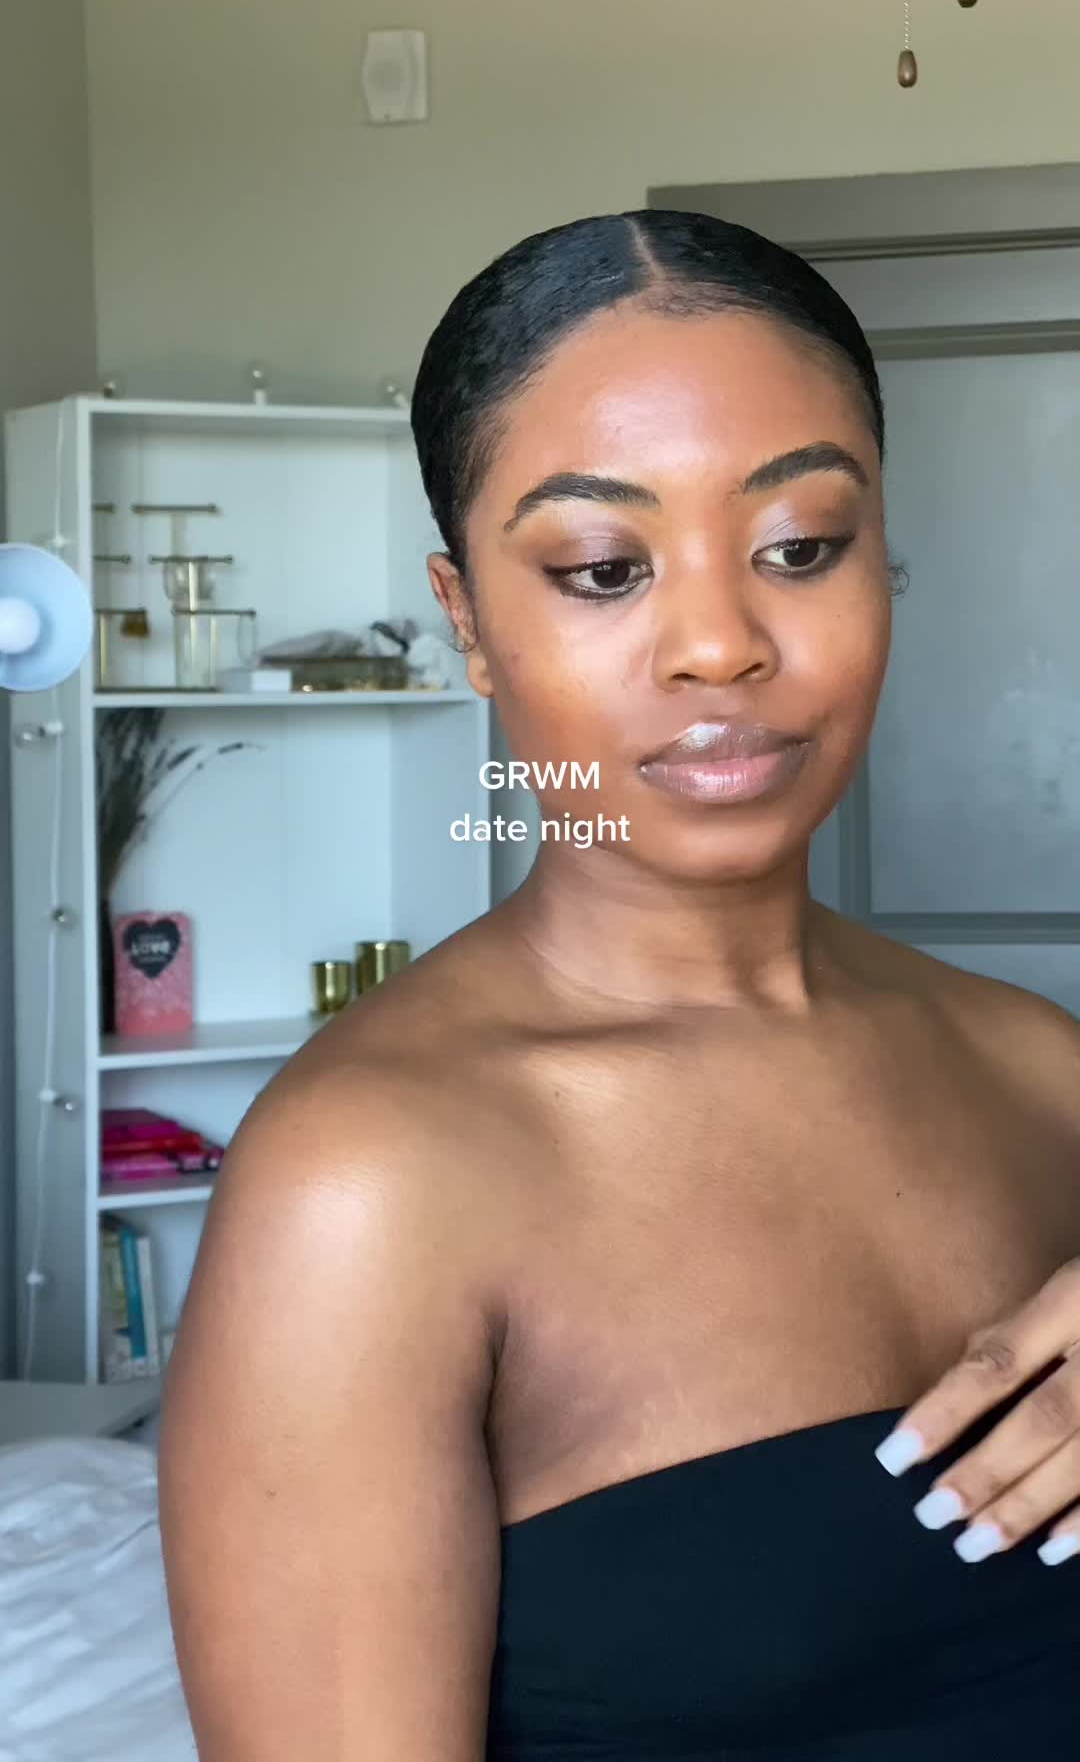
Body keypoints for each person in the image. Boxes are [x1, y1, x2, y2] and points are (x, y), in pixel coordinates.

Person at [158, 210, 1080, 1759]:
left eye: (801, 546)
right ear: (468, 622)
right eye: (602, 568)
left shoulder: (1041, 1070)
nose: (720, 646)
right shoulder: (366, 1186)